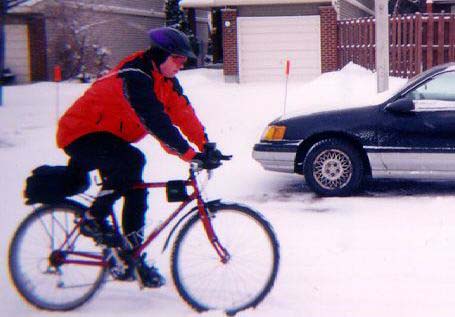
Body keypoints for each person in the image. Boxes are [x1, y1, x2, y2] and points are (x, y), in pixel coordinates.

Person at [56, 27, 213, 288]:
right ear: (161, 55)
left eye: (184, 61)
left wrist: (206, 145)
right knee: (133, 160)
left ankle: (131, 258)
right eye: (177, 59)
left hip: (110, 138)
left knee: (137, 191)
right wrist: (188, 153)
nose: (181, 65)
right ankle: (93, 219)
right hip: (80, 133)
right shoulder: (135, 76)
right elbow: (154, 120)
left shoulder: (165, 80)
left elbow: (182, 112)